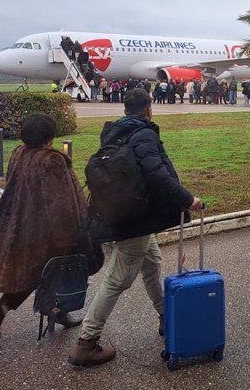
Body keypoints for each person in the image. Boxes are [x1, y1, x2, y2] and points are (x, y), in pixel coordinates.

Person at [68, 89, 202, 367]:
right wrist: (188, 200)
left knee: (152, 263)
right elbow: (157, 174)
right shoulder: (144, 134)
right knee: (117, 280)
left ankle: (167, 318)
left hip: (124, 213)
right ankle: (86, 343)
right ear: (148, 108)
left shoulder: (116, 131)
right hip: (136, 219)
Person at [0, 114, 91, 340]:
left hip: (20, 226)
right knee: (45, 274)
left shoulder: (19, 154)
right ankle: (6, 312)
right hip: (45, 232)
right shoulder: (52, 161)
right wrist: (68, 237)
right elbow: (59, 204)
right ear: (50, 137)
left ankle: (55, 312)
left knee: (31, 275)